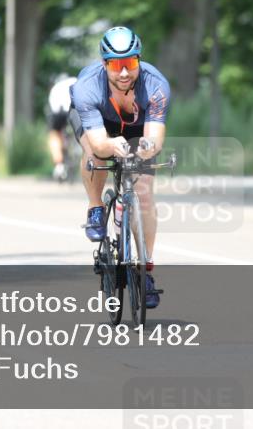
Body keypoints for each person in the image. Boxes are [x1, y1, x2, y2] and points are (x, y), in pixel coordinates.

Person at [68, 26, 170, 309]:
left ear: (139, 60)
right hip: (98, 123)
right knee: (95, 155)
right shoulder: (88, 87)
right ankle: (95, 207)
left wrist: (147, 148)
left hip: (137, 124)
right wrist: (112, 146)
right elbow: (101, 144)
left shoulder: (156, 85)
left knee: (145, 193)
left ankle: (145, 269)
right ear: (104, 64)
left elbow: (155, 138)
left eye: (130, 63)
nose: (124, 72)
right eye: (115, 65)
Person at [46, 73, 78, 181]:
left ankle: (59, 166)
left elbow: (53, 108)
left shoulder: (55, 88)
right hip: (76, 110)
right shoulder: (75, 80)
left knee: (54, 134)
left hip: (60, 113)